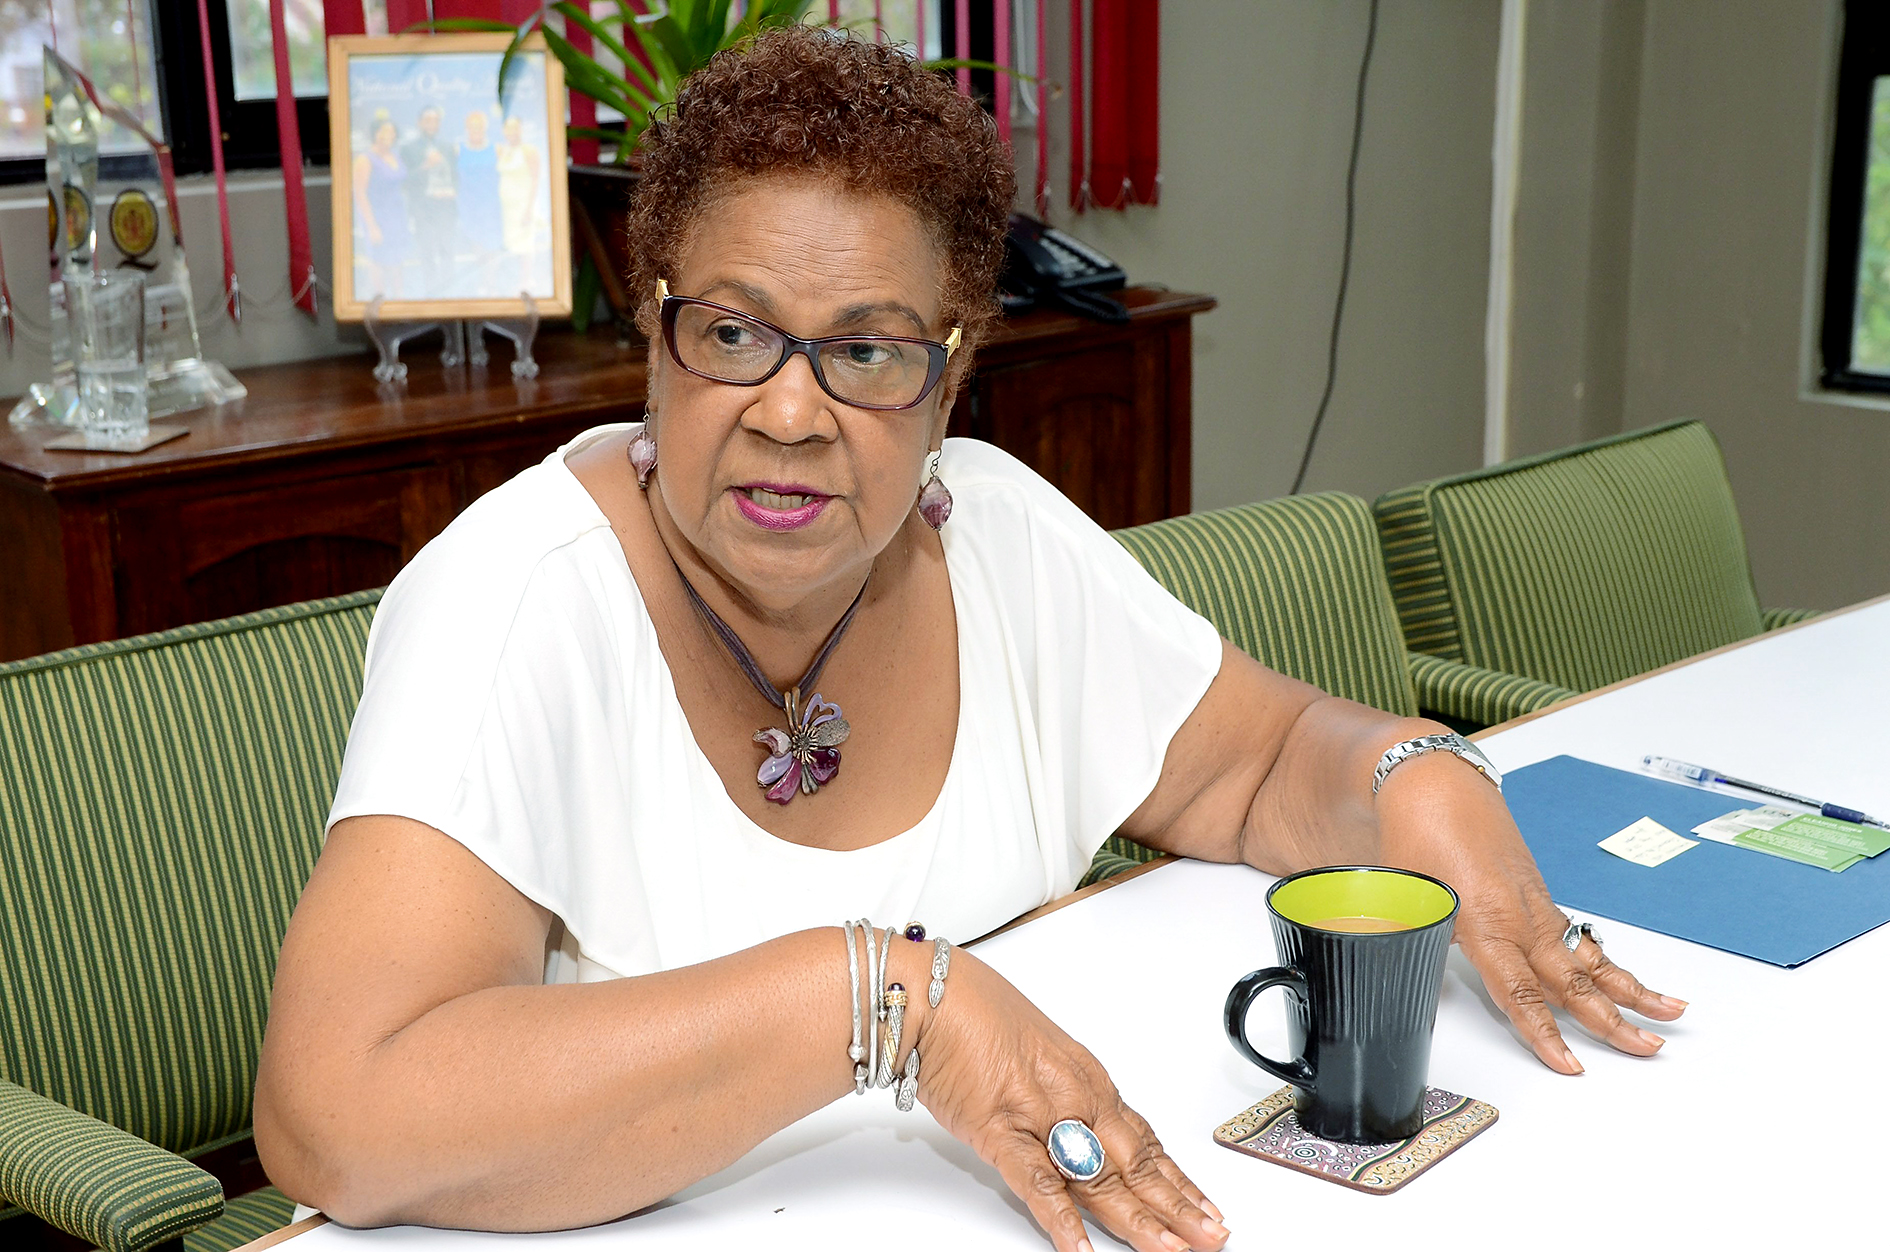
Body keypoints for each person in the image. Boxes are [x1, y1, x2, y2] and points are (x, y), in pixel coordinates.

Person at [255, 27, 1684, 1252]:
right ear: (654, 332)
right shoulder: (514, 598)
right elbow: (339, 1116)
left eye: (868, 351)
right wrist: (888, 1002)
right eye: (734, 333)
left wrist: (1418, 775)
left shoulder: (994, 535)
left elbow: (1253, 767)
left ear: (952, 380)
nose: (790, 413)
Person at [401, 104, 459, 299]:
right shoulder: (408, 149)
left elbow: (455, 175)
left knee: (447, 251)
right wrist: (425, 166)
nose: (432, 124)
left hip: (446, 208)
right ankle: (432, 295)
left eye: (435, 120)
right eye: (427, 120)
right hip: (423, 210)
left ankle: (450, 294)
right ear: (419, 123)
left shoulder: (447, 147)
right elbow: (405, 180)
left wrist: (453, 191)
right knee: (427, 253)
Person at [352, 113, 409, 300]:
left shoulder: (395, 155)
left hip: (397, 214)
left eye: (391, 132)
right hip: (377, 215)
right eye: (383, 131)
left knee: (397, 258)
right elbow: (360, 193)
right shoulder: (365, 159)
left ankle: (399, 299)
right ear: (375, 133)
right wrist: (372, 226)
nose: (388, 135)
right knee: (378, 258)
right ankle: (380, 300)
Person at [455, 110, 504, 295]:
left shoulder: (497, 149)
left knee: (493, 243)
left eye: (479, 126)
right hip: (469, 205)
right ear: (466, 128)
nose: (475, 129)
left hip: (491, 204)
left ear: (485, 127)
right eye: (472, 126)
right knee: (477, 242)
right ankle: (483, 280)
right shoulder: (458, 149)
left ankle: (492, 282)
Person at [494, 114, 541, 296]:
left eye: (515, 128)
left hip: (523, 205)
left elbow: (535, 179)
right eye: (508, 128)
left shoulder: (529, 151)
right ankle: (513, 283)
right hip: (507, 208)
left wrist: (529, 208)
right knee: (511, 244)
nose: (511, 132)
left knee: (525, 245)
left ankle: (525, 282)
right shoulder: (502, 150)